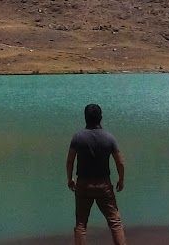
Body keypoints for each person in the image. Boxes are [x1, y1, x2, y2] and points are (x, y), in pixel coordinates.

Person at [66, 102, 127, 245]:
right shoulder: (109, 138)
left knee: (81, 225)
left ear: (85, 118)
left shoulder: (78, 137)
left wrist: (69, 179)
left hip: (83, 184)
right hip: (103, 185)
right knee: (115, 223)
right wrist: (121, 179)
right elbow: (120, 162)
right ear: (100, 117)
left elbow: (69, 161)